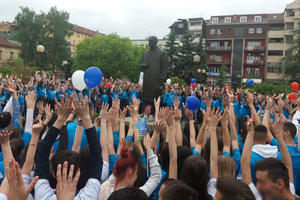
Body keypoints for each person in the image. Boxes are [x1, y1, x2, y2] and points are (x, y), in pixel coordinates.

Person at [140, 36, 168, 108]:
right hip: (147, 79)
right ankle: (145, 112)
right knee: (146, 97)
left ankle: (157, 113)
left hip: (157, 80)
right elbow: (141, 67)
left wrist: (161, 79)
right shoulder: (145, 53)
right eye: (149, 41)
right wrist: (142, 66)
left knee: (157, 98)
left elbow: (165, 68)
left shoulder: (162, 53)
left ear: (156, 42)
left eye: (151, 41)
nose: (150, 42)